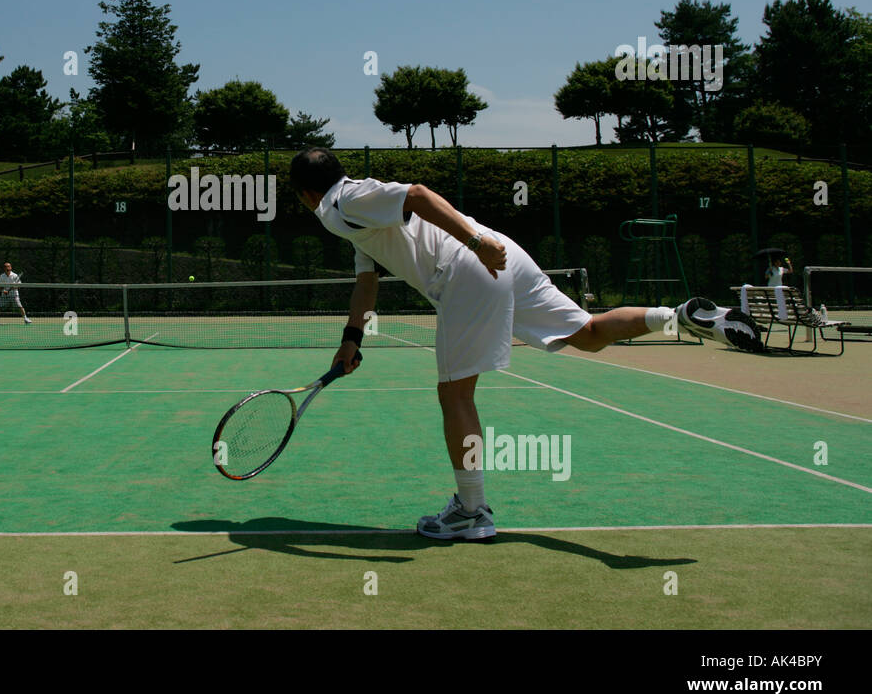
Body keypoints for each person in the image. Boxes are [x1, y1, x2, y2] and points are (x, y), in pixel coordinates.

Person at [289, 147, 762, 541]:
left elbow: (417, 194)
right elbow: (366, 282)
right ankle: (678, 316)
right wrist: (352, 338)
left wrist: (475, 243)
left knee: (455, 395)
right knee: (589, 335)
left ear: (308, 194)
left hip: (469, 267)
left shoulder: (343, 203)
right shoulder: (358, 214)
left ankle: (472, 511)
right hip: (505, 253)